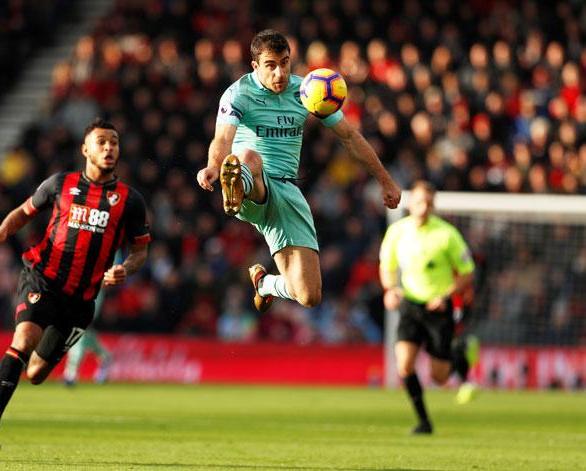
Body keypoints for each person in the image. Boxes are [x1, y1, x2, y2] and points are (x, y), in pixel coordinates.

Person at [0, 118, 151, 457]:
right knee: (23, 340)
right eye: (101, 141)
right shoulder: (60, 184)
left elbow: (140, 249)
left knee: (37, 373)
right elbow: (25, 212)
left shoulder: (130, 201)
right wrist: (2, 231)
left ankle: (42, 360)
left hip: (81, 300)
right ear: (85, 149)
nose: (109, 148)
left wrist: (124, 268)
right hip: (42, 278)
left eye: (114, 142)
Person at [196, 29, 401, 313]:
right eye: (271, 65)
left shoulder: (308, 91)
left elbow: (350, 137)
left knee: (308, 294)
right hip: (250, 184)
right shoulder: (238, 93)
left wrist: (386, 181)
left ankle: (264, 284)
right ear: (255, 66)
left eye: (285, 62)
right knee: (249, 158)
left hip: (288, 192)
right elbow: (222, 139)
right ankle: (236, 184)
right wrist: (213, 166)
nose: (279, 72)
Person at [379, 180, 475, 435]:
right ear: (411, 204)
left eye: (429, 204)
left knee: (439, 377)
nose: (424, 208)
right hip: (410, 306)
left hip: (438, 309)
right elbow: (387, 266)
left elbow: (467, 271)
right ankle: (424, 421)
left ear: (433, 206)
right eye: (420, 202)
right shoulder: (397, 232)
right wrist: (390, 289)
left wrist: (446, 295)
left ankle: (459, 355)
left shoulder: (447, 234)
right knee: (404, 366)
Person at [61, 287, 112, 386]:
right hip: (84, 294)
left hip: (91, 295)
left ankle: (70, 375)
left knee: (79, 340)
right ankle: (105, 358)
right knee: (84, 338)